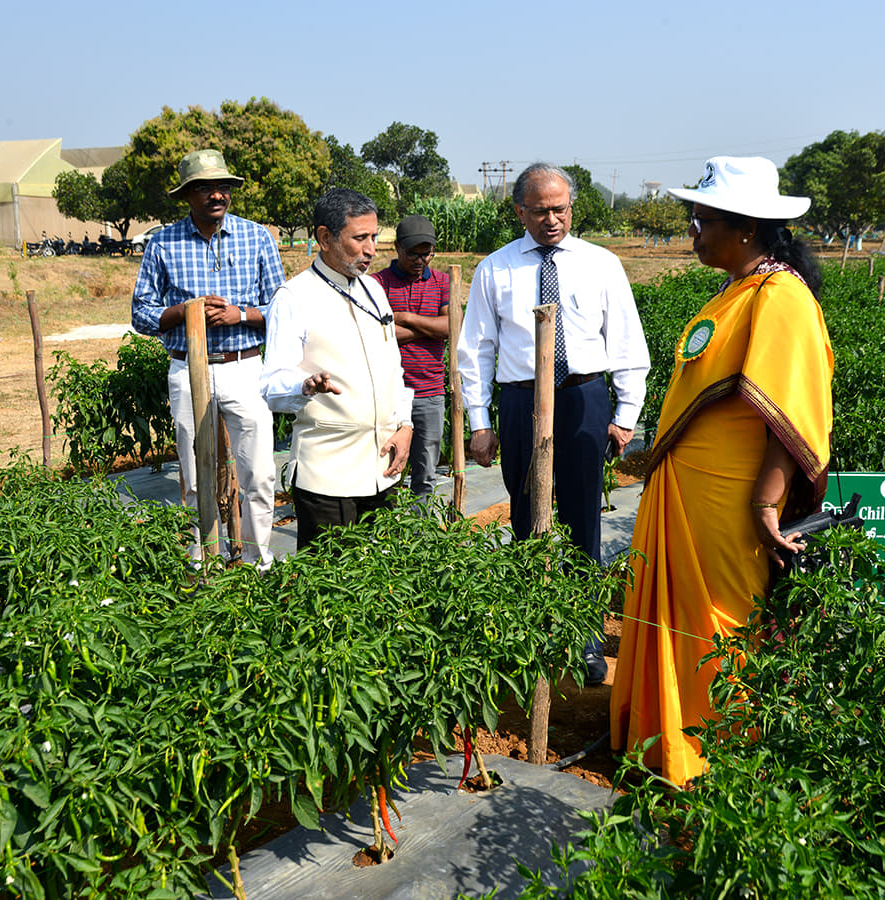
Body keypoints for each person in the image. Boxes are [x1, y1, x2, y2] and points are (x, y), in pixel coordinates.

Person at [609, 156, 834, 785]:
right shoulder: (738, 290)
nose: (694, 232)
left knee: (720, 623)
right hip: (689, 492)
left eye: (702, 219)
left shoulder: (781, 298)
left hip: (730, 503)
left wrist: (767, 506)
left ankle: (713, 759)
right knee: (676, 618)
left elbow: (788, 417)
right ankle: (663, 744)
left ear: (745, 227)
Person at [456, 163, 650, 686]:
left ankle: (583, 632)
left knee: (582, 512)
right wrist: (480, 420)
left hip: (585, 396)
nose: (552, 219)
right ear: (519, 211)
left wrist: (626, 414)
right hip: (521, 400)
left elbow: (628, 342)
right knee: (525, 508)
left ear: (572, 208)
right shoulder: (495, 270)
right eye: (540, 210)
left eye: (560, 208)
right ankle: (532, 627)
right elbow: (475, 350)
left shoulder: (601, 264)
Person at [131, 149, 283, 567]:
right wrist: (185, 311)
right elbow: (140, 313)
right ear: (187, 196)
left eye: (222, 187)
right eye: (203, 188)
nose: (215, 195)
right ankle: (203, 559)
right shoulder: (163, 242)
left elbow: (284, 312)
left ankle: (256, 560)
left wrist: (241, 314)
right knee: (194, 472)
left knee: (259, 472)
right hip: (187, 367)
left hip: (244, 365)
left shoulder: (257, 238)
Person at [259, 188, 414, 549]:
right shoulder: (295, 297)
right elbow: (271, 385)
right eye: (360, 238)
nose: (371, 249)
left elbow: (395, 369)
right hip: (328, 477)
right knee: (330, 590)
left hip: (382, 468)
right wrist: (305, 385)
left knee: (383, 582)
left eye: (374, 237)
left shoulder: (373, 290)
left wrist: (404, 425)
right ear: (325, 237)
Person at [370, 214, 451, 500]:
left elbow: (451, 327)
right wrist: (429, 327)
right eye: (413, 254)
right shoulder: (376, 284)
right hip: (388, 393)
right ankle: (388, 539)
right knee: (385, 470)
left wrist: (404, 318)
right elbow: (377, 333)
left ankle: (420, 538)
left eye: (426, 254)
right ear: (397, 249)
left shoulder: (443, 282)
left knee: (425, 475)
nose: (420, 260)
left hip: (429, 393)